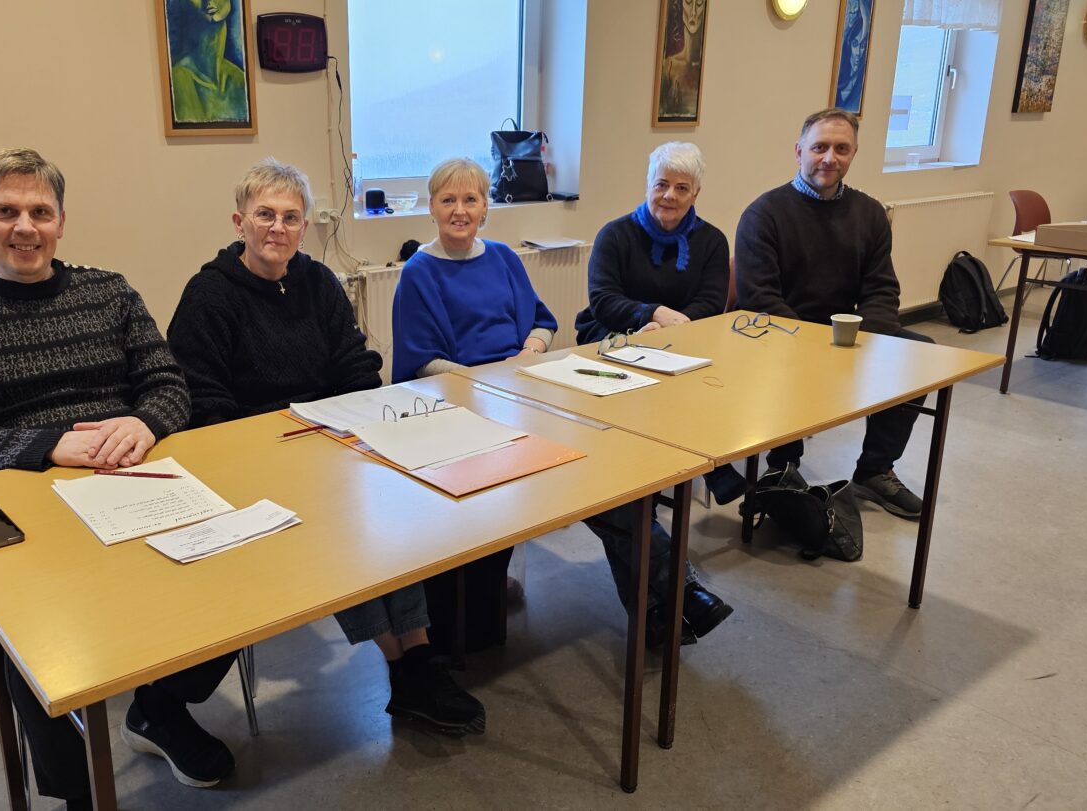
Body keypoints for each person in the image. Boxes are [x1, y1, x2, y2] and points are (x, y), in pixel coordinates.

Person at [0, 149, 238, 807]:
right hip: (26, 507)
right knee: (37, 634)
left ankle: (159, 709)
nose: (25, 227)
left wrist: (145, 421)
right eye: (5, 211)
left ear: (61, 220)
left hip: (131, 484)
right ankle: (74, 792)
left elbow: (168, 383)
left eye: (40, 211)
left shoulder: (110, 292)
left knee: (241, 572)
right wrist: (49, 445)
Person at [167, 157, 486, 735]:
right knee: (340, 522)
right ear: (240, 222)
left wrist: (360, 423)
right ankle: (407, 668)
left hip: (330, 438)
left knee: (395, 498)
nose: (278, 228)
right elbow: (204, 405)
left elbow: (354, 362)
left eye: (291, 217)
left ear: (305, 225)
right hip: (254, 457)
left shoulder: (317, 282)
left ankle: (416, 657)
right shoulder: (209, 295)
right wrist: (290, 440)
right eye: (265, 215)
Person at [571, 142, 736, 649]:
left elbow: (711, 303)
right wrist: (652, 315)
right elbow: (603, 300)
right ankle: (678, 593)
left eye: (681, 187)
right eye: (661, 184)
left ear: (696, 193)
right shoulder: (616, 234)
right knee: (625, 481)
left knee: (632, 485)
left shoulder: (711, 241)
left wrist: (668, 331)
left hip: (680, 354)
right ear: (647, 184)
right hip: (611, 347)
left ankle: (657, 613)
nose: (669, 195)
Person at [390, 157, 557, 654]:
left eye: (470, 199)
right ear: (431, 207)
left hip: (517, 390)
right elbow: (421, 362)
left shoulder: (504, 257)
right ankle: (467, 605)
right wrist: (486, 381)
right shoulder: (419, 272)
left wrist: (529, 353)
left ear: (485, 207)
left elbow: (543, 322)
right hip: (456, 403)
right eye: (448, 200)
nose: (459, 210)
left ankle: (492, 582)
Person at [735, 108, 935, 519]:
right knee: (783, 362)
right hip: (778, 336)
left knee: (919, 353)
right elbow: (759, 299)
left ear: (854, 154)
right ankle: (783, 467)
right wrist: (816, 346)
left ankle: (875, 470)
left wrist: (864, 340)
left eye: (841, 149)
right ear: (799, 152)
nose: (830, 158)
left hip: (846, 336)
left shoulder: (870, 213)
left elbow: (882, 289)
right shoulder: (764, 214)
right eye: (819, 148)